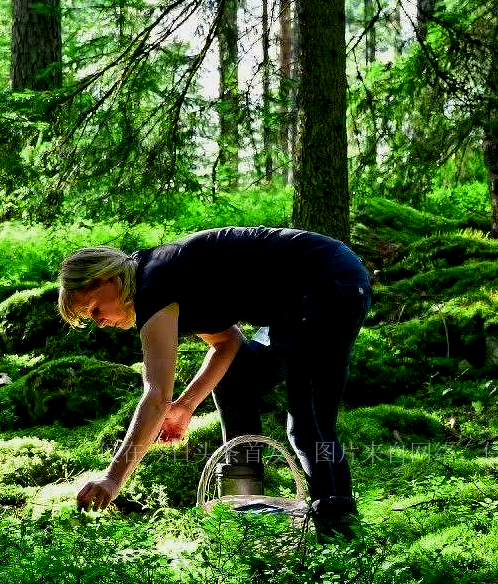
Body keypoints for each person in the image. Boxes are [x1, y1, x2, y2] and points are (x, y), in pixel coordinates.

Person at [57, 226, 370, 537]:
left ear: (107, 279)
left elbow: (155, 397)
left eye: (95, 308)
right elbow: (228, 343)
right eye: (90, 317)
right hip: (301, 301)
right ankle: (246, 503)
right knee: (237, 376)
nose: (99, 321)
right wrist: (185, 406)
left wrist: (112, 479)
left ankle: (340, 532)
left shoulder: (152, 285)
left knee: (307, 421)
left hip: (327, 285)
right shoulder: (162, 278)